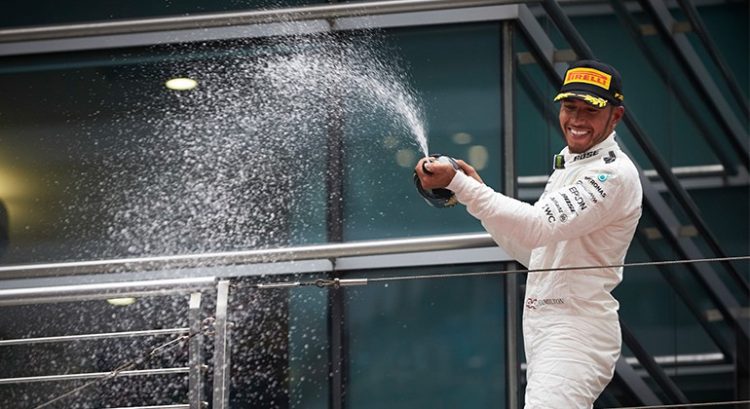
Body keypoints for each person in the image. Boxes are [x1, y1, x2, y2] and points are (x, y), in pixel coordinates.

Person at [414, 60, 643, 408]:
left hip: (575, 333)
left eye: (591, 110)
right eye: (570, 107)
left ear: (616, 116)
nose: (577, 119)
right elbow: (535, 252)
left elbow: (537, 226)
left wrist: (461, 184)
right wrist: (471, 194)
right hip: (550, 328)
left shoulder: (612, 175)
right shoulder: (572, 162)